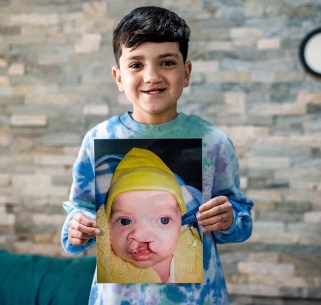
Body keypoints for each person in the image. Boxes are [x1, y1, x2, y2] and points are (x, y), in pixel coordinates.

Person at [61, 5, 254, 304]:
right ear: (118, 77)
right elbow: (80, 208)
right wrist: (77, 227)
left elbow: (240, 218)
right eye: (136, 65)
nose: (151, 76)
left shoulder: (213, 142)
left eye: (166, 62)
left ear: (186, 73)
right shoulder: (98, 139)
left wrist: (229, 219)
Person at [95, 147, 203, 284]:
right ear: (107, 223)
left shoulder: (196, 248)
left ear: (181, 222)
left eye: (163, 220)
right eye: (124, 221)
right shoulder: (105, 261)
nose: (141, 236)